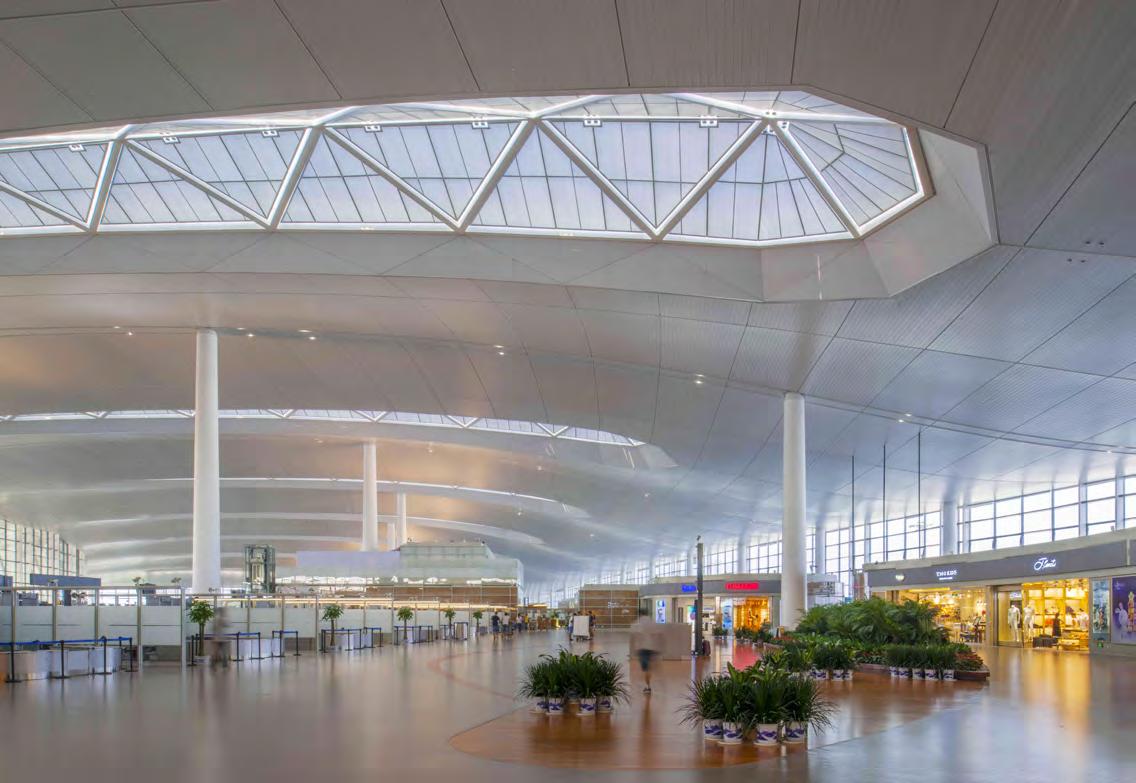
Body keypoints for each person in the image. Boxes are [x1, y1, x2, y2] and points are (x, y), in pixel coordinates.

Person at [629, 609, 661, 694]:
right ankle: (648, 683)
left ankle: (647, 686)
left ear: (640, 614)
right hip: (651, 647)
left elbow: (633, 637)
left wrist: (632, 649)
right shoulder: (652, 622)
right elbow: (658, 634)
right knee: (648, 668)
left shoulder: (637, 623)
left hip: (642, 648)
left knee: (646, 669)